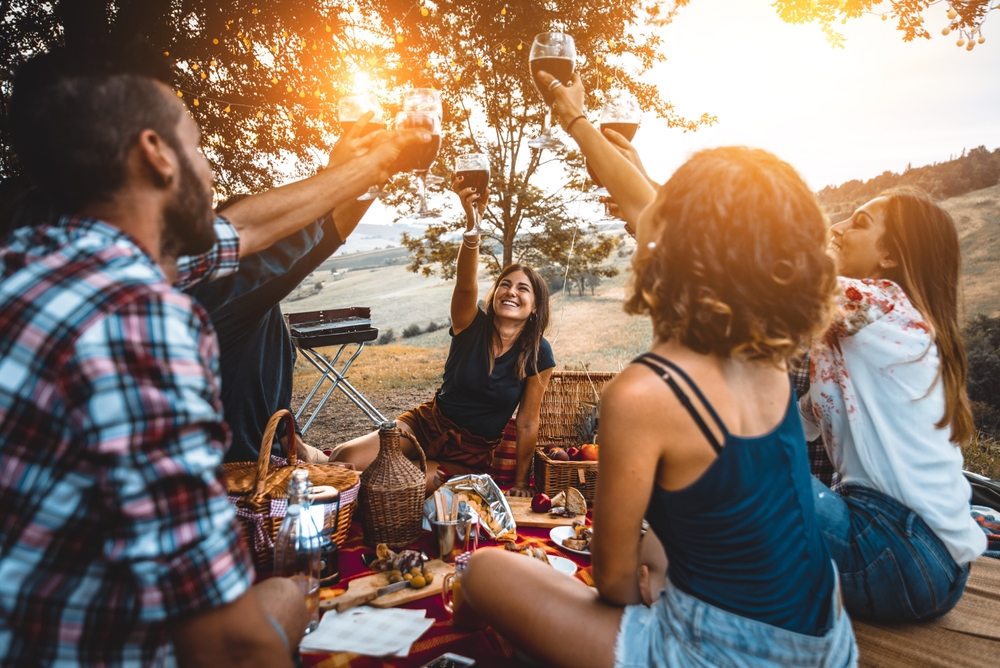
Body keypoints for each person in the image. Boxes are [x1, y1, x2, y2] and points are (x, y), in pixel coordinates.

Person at [0, 43, 429, 666]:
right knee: (286, 597)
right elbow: (225, 647)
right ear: (156, 155)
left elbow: (249, 229)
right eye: (197, 144)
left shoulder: (35, 259)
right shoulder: (138, 318)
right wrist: (296, 597)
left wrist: (369, 165)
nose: (208, 167)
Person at [460, 71, 857, 668]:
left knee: (485, 569)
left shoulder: (645, 392)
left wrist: (576, 121)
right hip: (829, 636)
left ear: (665, 248)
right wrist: (581, 126)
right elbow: (650, 206)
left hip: (723, 652)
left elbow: (613, 582)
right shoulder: (769, 360)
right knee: (662, 552)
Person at [803, 187, 986, 622]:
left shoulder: (882, 304)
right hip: (932, 566)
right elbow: (788, 428)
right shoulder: (870, 342)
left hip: (894, 549)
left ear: (889, 258)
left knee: (725, 456)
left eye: (860, 223)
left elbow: (744, 268)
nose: (838, 228)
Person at [331, 176, 555, 496]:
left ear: (534, 307)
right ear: (495, 294)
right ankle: (313, 479)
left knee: (394, 487)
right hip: (426, 426)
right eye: (505, 284)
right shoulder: (470, 323)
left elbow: (527, 422)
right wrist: (473, 225)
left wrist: (521, 483)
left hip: (470, 454)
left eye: (523, 289)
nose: (511, 292)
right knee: (344, 460)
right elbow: (465, 285)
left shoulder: (538, 353)